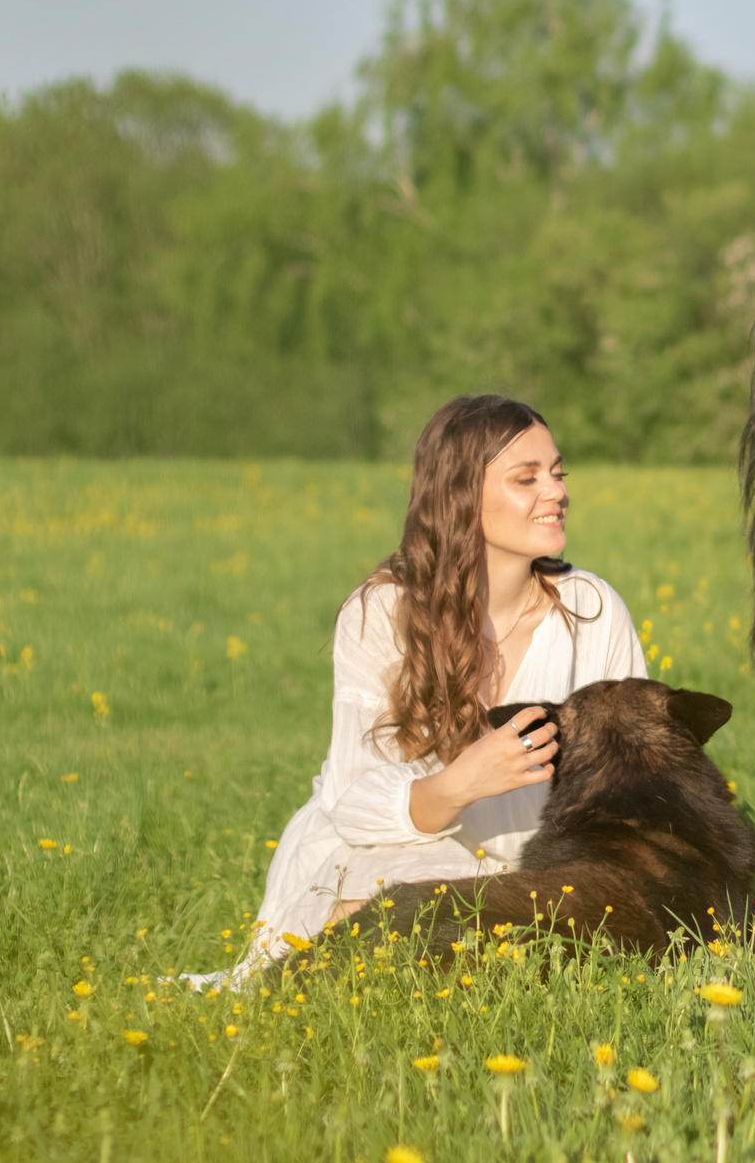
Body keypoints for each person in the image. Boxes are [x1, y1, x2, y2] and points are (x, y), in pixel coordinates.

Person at [200, 395, 648, 985]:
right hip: (386, 849)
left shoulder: (591, 609)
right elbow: (354, 801)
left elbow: (635, 778)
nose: (557, 491)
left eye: (558, 473)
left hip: (537, 869)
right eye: (527, 478)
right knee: (394, 919)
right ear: (461, 497)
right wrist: (465, 781)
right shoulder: (383, 612)